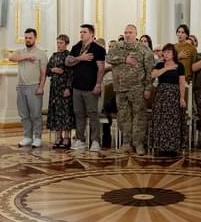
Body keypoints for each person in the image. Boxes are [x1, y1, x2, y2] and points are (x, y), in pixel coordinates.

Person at [107, 24, 153, 154]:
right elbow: (108, 58)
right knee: (123, 116)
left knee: (139, 116)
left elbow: (149, 71)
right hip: (120, 88)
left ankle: (138, 144)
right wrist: (124, 59)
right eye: (126, 32)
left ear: (136, 34)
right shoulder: (117, 47)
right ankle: (126, 143)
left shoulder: (144, 49)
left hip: (137, 88)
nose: (127, 35)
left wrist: (148, 88)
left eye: (130, 32)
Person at [66, 24, 106, 151]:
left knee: (93, 114)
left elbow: (101, 68)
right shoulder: (76, 47)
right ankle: (80, 139)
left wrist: (98, 84)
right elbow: (68, 62)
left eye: (84, 32)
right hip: (77, 86)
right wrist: (81, 58)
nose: (82, 34)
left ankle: (95, 141)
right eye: (81, 32)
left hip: (91, 87)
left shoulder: (98, 49)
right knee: (79, 114)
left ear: (92, 34)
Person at [8, 28, 47, 149]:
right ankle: (27, 137)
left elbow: (43, 73)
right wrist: (26, 56)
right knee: (24, 114)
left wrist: (41, 87)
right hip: (21, 86)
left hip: (34, 86)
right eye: (26, 38)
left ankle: (37, 137)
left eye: (30, 38)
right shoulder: (20, 51)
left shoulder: (41, 54)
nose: (28, 40)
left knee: (35, 114)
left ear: (35, 38)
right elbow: (11, 57)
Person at [151, 43, 187, 155]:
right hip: (161, 95)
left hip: (174, 95)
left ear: (173, 54)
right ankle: (161, 147)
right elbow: (153, 75)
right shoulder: (160, 65)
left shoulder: (179, 66)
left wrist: (182, 98)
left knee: (173, 121)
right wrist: (166, 68)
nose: (166, 54)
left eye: (168, 52)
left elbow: (182, 82)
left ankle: (173, 147)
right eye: (164, 52)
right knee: (161, 120)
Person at [47, 34, 75, 149]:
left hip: (65, 88)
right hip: (55, 88)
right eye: (58, 43)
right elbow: (47, 70)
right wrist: (53, 70)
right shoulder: (53, 56)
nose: (59, 45)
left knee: (66, 112)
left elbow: (72, 73)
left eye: (61, 43)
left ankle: (67, 137)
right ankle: (58, 137)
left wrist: (68, 88)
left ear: (66, 44)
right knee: (56, 112)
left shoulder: (69, 56)